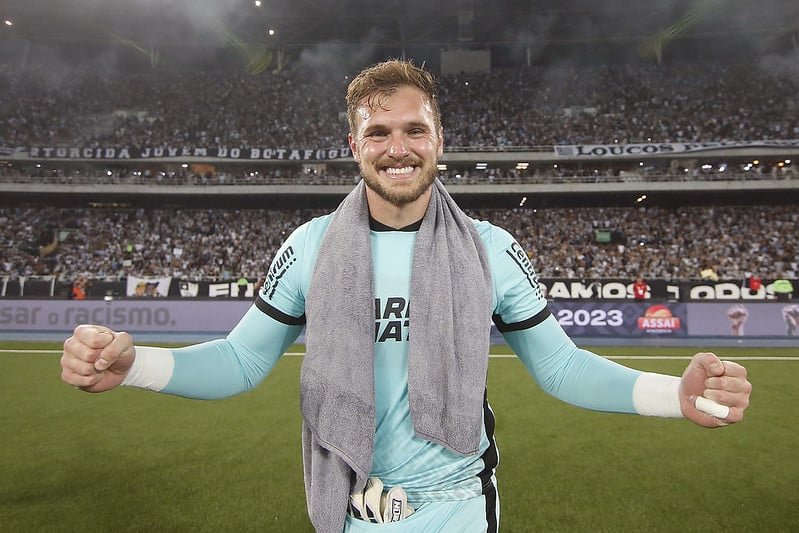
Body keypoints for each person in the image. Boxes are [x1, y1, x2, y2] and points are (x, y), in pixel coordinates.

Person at [60, 59, 752, 533]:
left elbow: (560, 367)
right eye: (378, 131)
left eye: (414, 128)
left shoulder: (489, 247)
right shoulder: (308, 246)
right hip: (350, 506)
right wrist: (135, 366)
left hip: (456, 508)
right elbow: (241, 362)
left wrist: (674, 396)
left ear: (439, 139)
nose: (398, 146)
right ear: (353, 143)